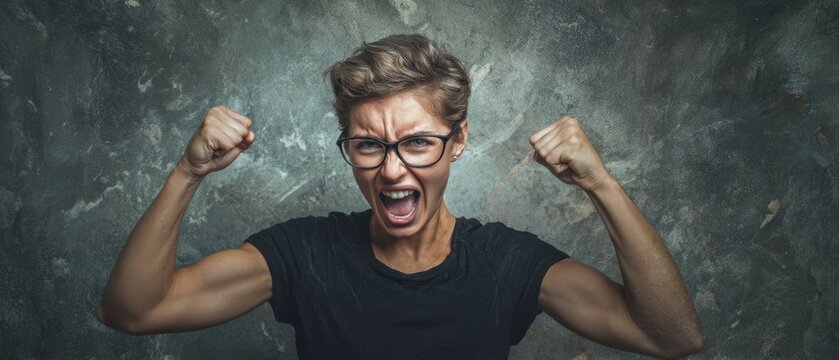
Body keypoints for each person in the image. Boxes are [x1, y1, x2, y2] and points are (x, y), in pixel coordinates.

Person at [97, 34, 703, 359]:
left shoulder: (507, 265)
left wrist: (602, 184)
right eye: (368, 146)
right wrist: (187, 171)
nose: (392, 171)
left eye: (417, 143)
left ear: (459, 139)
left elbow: (672, 337)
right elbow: (133, 311)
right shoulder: (304, 255)